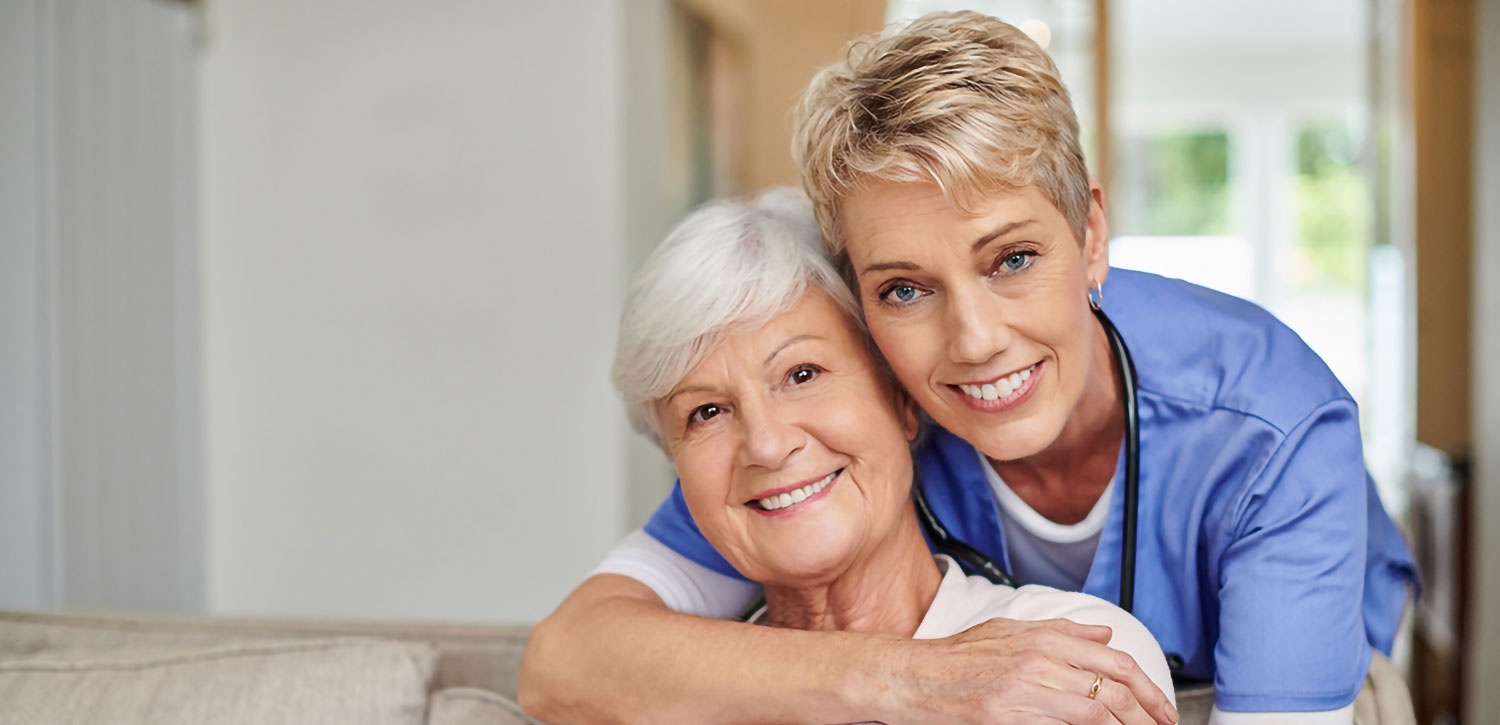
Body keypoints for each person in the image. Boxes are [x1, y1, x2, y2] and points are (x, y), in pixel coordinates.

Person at [520, 10, 1416, 724]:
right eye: (906, 288)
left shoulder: (1269, 430)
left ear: (1092, 232)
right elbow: (570, 659)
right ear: (862, 310)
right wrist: (912, 680)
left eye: (1013, 259)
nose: (976, 339)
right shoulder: (841, 424)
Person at [523, 189, 1176, 724]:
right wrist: (910, 680)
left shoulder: (1065, 651)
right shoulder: (657, 695)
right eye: (706, 412)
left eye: (803, 373)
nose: (769, 443)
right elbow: (556, 663)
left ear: (901, 399)